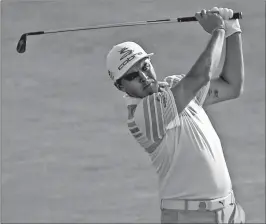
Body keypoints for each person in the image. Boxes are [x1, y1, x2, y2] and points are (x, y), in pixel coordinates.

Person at [106, 7, 245, 223]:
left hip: (229, 212)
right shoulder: (143, 115)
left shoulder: (174, 87)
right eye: (133, 75)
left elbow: (232, 85)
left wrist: (232, 30)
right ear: (121, 87)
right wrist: (217, 30)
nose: (143, 76)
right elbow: (201, 75)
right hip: (190, 217)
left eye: (145, 66)